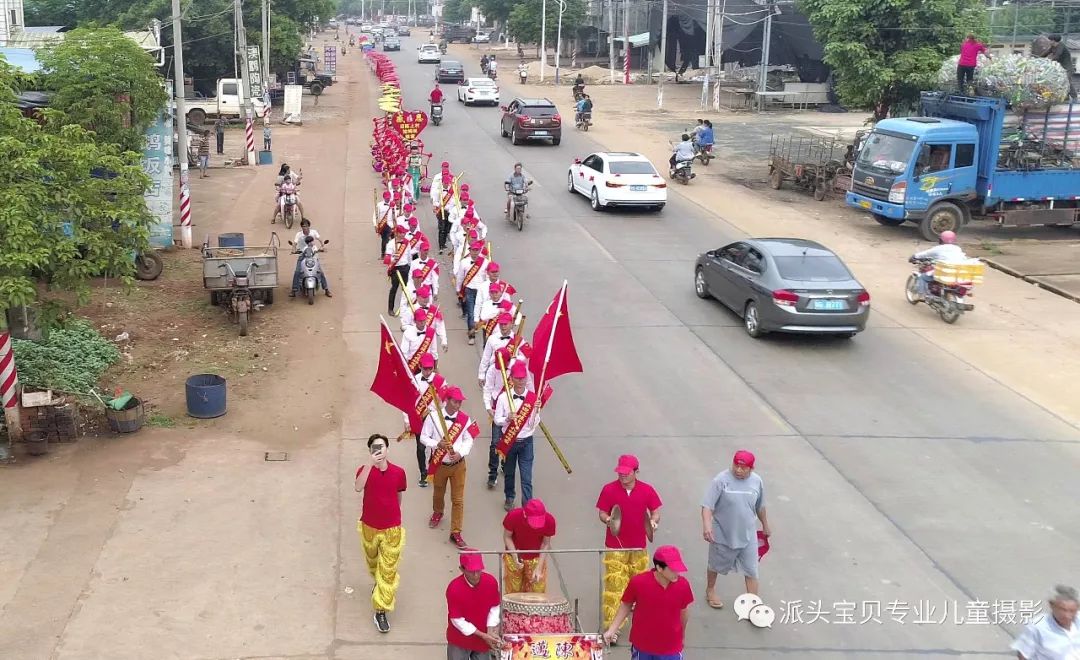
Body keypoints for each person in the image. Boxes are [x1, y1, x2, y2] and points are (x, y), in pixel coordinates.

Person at [596, 454, 663, 643]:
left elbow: (656, 512)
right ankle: (612, 628)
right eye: (620, 473)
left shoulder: (647, 490)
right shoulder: (609, 490)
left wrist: (653, 522)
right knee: (615, 587)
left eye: (627, 473)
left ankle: (643, 623)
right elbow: (602, 512)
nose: (623, 476)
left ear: (636, 472)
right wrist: (608, 520)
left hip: (638, 548)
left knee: (640, 586)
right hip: (615, 546)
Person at [700, 449, 770, 611]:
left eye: (743, 468)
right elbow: (707, 505)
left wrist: (765, 524)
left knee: (751, 569)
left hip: (748, 534)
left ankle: (753, 604)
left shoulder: (757, 481)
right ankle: (710, 590)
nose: (738, 470)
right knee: (715, 565)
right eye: (736, 466)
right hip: (723, 533)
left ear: (751, 469)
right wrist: (707, 525)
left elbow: (760, 506)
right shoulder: (721, 480)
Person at [355, 433, 408, 634]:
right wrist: (369, 464)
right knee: (373, 564)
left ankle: (380, 611)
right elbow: (358, 487)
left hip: (392, 528)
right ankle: (377, 585)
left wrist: (394, 516)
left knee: (387, 571)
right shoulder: (364, 470)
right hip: (369, 525)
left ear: (388, 449)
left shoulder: (398, 472)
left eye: (381, 447)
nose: (378, 451)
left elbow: (399, 494)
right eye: (374, 448)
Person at [603, 545, 695, 659]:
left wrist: (682, 636)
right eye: (673, 569)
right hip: (643, 645)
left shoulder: (683, 585)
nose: (677, 572)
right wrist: (612, 630)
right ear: (659, 568)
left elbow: (684, 612)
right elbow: (626, 604)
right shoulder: (638, 582)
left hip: (671, 647)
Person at [420, 385, 480, 549]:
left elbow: (469, 439)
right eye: (455, 402)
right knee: (438, 491)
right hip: (440, 463)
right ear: (447, 401)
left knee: (458, 499)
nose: (458, 405)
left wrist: (460, 453)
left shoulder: (465, 419)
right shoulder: (433, 417)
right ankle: (438, 511)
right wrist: (436, 444)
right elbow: (424, 437)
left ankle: (456, 531)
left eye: (460, 402)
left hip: (458, 465)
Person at [493, 360, 540, 512]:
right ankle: (509, 497)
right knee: (509, 473)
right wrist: (507, 419)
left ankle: (527, 505)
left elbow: (533, 424)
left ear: (527, 378)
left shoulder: (533, 399)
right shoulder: (503, 398)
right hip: (509, 442)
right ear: (511, 378)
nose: (520, 381)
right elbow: (497, 420)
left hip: (526, 442)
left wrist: (536, 412)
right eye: (517, 378)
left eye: (523, 378)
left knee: (526, 477)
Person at [445, 552, 505, 660]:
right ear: (462, 569)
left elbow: (494, 607)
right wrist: (483, 635)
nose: (476, 575)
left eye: (479, 570)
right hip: (460, 639)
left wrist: (490, 629)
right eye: (471, 571)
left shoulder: (490, 582)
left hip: (483, 638)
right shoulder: (454, 588)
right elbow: (457, 620)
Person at [502, 498, 556, 594]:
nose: (536, 526)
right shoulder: (513, 516)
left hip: (536, 557)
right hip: (514, 554)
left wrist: (539, 567)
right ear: (524, 514)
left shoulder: (549, 521)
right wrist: (514, 555)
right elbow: (507, 537)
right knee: (514, 589)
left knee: (537, 588)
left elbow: (545, 543)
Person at [1011, 584, 1080, 659]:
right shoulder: (1037, 626)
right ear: (1051, 605)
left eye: (1072, 611)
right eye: (1062, 610)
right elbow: (1023, 654)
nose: (1067, 615)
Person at [911, 230, 967, 296]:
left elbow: (925, 254)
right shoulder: (958, 248)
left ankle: (921, 295)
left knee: (923, 277)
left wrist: (914, 256)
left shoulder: (938, 248)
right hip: (958, 272)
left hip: (944, 272)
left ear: (941, 240)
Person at [453, 241, 489, 346]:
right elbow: (460, 277)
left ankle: (478, 328)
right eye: (473, 250)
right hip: (469, 290)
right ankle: (471, 336)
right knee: (471, 313)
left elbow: (487, 279)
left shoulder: (485, 263)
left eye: (477, 250)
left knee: (482, 313)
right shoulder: (464, 262)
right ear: (470, 251)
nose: (475, 252)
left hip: (481, 292)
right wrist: (458, 289)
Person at [290, 220, 331, 297]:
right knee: (297, 272)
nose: (304, 227)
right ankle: (294, 290)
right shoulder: (299, 234)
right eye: (303, 226)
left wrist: (323, 246)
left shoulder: (314, 232)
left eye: (306, 226)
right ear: (301, 227)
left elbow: (320, 239)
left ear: (309, 226)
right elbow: (294, 243)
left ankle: (326, 289)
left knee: (320, 272)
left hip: (313, 256)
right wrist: (293, 249)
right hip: (302, 255)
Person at [384, 226, 412, 315]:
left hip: (405, 268)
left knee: (406, 289)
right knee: (394, 289)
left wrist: (409, 267)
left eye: (404, 233)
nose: (404, 234)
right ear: (397, 234)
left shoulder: (407, 243)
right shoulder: (391, 244)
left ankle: (406, 307)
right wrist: (393, 258)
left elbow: (409, 256)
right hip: (396, 269)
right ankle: (390, 309)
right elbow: (386, 260)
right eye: (402, 233)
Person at [1045, 34, 1076, 99]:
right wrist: (1037, 58)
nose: (1049, 41)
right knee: (1060, 83)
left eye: (1050, 40)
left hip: (1067, 68)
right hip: (1060, 68)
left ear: (1054, 41)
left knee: (1066, 81)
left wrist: (1049, 61)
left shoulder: (1061, 46)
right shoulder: (1052, 47)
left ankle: (1074, 97)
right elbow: (1046, 53)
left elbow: (1057, 56)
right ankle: (1066, 97)